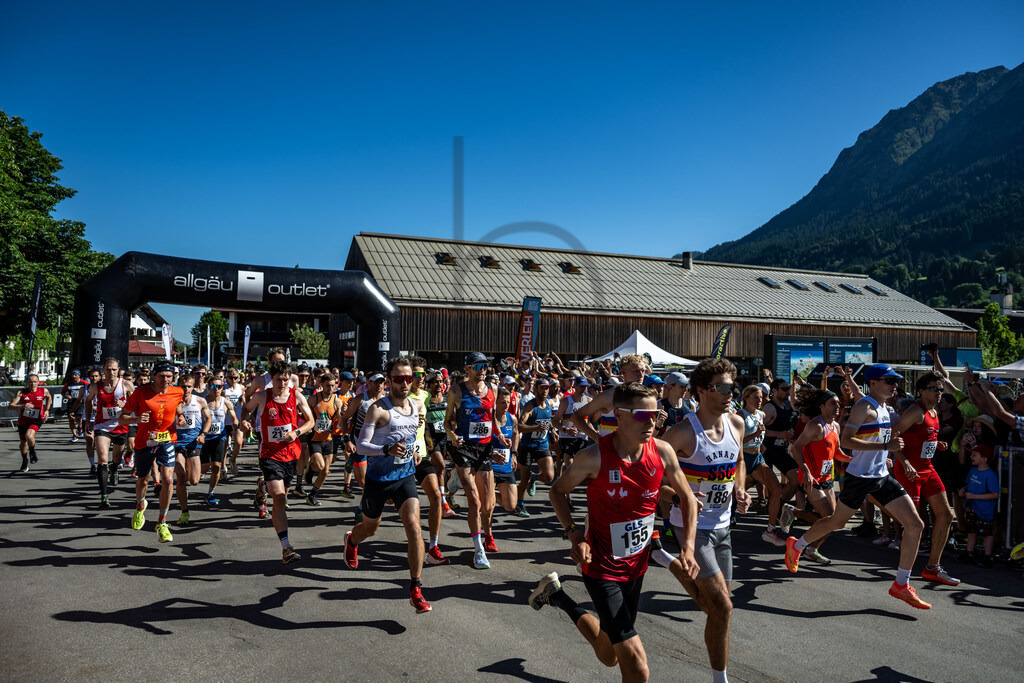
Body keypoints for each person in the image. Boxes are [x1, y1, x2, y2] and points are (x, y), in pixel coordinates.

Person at [529, 382, 700, 683]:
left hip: (636, 564)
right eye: (641, 415)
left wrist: (687, 547)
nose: (652, 422)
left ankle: (558, 597)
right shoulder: (593, 457)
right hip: (601, 566)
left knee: (609, 655)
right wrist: (575, 536)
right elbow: (557, 492)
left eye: (656, 414)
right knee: (636, 663)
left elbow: (687, 498)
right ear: (618, 415)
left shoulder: (662, 451)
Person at [784, 364, 931, 610]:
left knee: (915, 525)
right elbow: (846, 440)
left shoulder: (883, 407)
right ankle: (796, 545)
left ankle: (901, 584)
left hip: (881, 476)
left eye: (895, 381)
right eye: (889, 380)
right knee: (836, 522)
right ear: (873, 383)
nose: (894, 385)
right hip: (860, 478)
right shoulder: (865, 407)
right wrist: (885, 448)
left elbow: (881, 435)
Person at [661, 358, 751, 682]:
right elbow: (650, 478)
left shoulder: (737, 424)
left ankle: (666, 560)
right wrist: (679, 496)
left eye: (732, 386)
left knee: (713, 608)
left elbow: (739, 460)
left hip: (724, 527)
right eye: (723, 387)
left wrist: (739, 487)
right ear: (701, 390)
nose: (731, 393)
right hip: (691, 528)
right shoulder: (683, 433)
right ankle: (720, 679)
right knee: (724, 609)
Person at [343, 357, 432, 614]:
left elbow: (413, 435)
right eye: (399, 378)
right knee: (370, 529)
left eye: (409, 378)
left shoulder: (416, 406)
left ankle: (415, 588)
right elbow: (361, 446)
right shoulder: (377, 409)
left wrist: (414, 452)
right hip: (378, 481)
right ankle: (352, 540)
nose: (405, 383)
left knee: (415, 526)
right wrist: (386, 449)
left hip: (404, 476)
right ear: (389, 379)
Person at [889, 371, 960, 586]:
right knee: (913, 520)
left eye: (940, 389)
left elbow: (923, 436)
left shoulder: (934, 412)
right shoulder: (915, 411)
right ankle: (904, 576)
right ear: (921, 391)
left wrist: (935, 444)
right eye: (934, 389)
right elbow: (893, 435)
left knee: (946, 516)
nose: (939, 392)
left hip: (928, 469)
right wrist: (904, 462)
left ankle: (933, 567)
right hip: (909, 470)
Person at [241, 360, 314, 564]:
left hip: (291, 454)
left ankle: (262, 486)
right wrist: (245, 421)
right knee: (280, 498)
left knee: (282, 498)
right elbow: (246, 409)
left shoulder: (296, 396)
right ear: (270, 379)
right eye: (278, 379)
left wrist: (296, 432)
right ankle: (286, 547)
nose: (282, 383)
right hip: (270, 454)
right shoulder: (262, 396)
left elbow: (311, 421)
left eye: (286, 379)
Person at [444, 352, 504, 568]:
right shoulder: (456, 391)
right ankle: (478, 550)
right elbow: (447, 421)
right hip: (464, 449)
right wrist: (453, 436)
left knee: (488, 505)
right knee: (475, 502)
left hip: (484, 449)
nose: (482, 370)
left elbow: (493, 417)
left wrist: (500, 435)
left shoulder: (493, 389)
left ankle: (488, 532)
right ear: (467, 368)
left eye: (485, 366)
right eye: (477, 366)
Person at [118, 362, 186, 544]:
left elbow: (178, 405)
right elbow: (121, 417)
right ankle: (141, 505)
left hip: (167, 439)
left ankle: (162, 523)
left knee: (168, 479)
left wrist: (180, 417)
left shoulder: (177, 391)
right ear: (154, 376)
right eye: (162, 375)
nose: (166, 380)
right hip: (144, 442)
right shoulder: (140, 393)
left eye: (169, 376)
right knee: (143, 479)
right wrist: (137, 418)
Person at [787, 387, 851, 564]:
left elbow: (836, 452)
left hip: (827, 478)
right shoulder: (815, 425)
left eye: (838, 403)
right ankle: (807, 546)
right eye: (833, 403)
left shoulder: (835, 426)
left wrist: (854, 460)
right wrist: (805, 471)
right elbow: (796, 448)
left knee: (834, 521)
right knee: (830, 518)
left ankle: (795, 515)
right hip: (811, 478)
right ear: (822, 406)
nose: (837, 406)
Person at [84, 358, 134, 508]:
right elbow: (88, 401)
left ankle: (114, 468)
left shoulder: (126, 385)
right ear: (103, 370)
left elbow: (136, 405)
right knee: (103, 458)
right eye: (108, 369)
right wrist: (88, 421)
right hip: (102, 426)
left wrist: (125, 405)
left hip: (121, 426)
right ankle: (104, 496)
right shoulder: (95, 386)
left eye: (114, 369)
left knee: (116, 459)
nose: (111, 372)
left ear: (118, 370)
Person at [739, 385, 785, 547]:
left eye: (761, 398)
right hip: (742, 457)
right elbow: (736, 442)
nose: (760, 401)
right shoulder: (740, 416)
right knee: (731, 493)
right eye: (755, 398)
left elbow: (764, 430)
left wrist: (761, 443)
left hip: (757, 457)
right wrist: (756, 435)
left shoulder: (761, 414)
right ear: (746, 399)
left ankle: (770, 530)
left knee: (777, 489)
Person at [571, 354, 647, 441]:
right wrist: (599, 440)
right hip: (611, 452)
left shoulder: (647, 397)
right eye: (636, 371)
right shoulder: (609, 396)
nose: (641, 375)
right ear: (623, 372)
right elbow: (576, 417)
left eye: (643, 371)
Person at [173, 375, 212, 526]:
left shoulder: (200, 401)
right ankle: (184, 511)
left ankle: (184, 491)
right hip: (177, 443)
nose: (186, 389)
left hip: (194, 443)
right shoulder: (175, 401)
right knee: (181, 476)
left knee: (194, 480)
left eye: (189, 386)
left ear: (193, 387)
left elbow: (208, 418)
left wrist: (203, 434)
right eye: (183, 386)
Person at [516, 377, 558, 517]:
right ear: (536, 390)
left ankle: (535, 478)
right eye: (542, 388)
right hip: (527, 446)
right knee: (523, 480)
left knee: (549, 476)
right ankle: (520, 504)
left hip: (542, 444)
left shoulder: (548, 404)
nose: (545, 391)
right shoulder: (530, 406)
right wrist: (536, 427)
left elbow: (549, 421)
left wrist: (552, 431)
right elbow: (519, 427)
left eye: (547, 388)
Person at [305, 372, 344, 507]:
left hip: (328, 438)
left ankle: (312, 495)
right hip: (315, 438)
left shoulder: (337, 400)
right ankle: (311, 468)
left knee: (325, 471)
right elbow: (305, 415)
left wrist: (345, 434)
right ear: (321, 385)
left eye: (333, 386)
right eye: (327, 386)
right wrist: (307, 426)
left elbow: (340, 419)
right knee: (320, 466)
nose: (330, 388)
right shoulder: (313, 399)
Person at [959, 439, 999, 567]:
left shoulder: (990, 475)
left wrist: (974, 496)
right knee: (971, 530)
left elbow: (995, 494)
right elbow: (968, 485)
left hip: (984, 510)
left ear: (984, 459)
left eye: (974, 455)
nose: (971, 457)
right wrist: (963, 490)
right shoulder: (972, 471)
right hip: (972, 508)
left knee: (986, 533)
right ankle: (969, 552)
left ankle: (988, 556)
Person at [200, 378, 234, 505]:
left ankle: (211, 493)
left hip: (219, 437)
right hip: (204, 438)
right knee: (203, 469)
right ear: (209, 388)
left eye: (220, 387)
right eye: (214, 387)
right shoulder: (203, 401)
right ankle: (186, 481)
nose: (217, 389)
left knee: (216, 466)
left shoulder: (226, 403)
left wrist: (236, 423)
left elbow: (233, 417)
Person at [11, 373, 51, 472]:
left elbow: (49, 397)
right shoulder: (21, 392)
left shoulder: (43, 391)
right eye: (30, 382)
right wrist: (23, 406)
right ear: (27, 382)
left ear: (38, 382)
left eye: (34, 382)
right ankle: (24, 460)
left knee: (29, 436)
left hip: (36, 419)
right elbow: (10, 405)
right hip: (23, 421)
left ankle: (32, 452)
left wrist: (47, 410)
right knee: (23, 443)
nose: (32, 384)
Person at [491, 388, 520, 515]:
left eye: (508, 402)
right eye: (502, 402)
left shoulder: (512, 418)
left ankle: (485, 493)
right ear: (495, 403)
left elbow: (516, 434)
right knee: (488, 504)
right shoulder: (488, 420)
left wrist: (514, 454)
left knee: (510, 505)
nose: (506, 405)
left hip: (505, 466)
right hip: (489, 466)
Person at [62, 369, 87, 443]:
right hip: (71, 403)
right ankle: (74, 435)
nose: (73, 376)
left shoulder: (84, 383)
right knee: (71, 419)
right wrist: (67, 396)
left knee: (79, 417)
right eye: (73, 375)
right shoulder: (68, 383)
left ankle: (80, 427)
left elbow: (90, 389)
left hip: (81, 403)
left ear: (79, 375)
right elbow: (63, 392)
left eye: (75, 375)